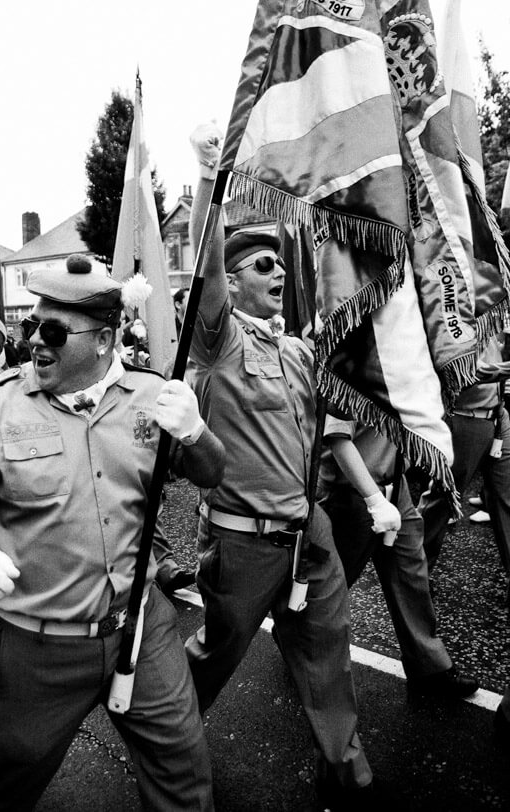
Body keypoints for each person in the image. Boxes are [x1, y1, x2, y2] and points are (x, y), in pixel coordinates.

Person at [0, 255, 225, 812]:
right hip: (38, 646)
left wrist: (196, 432)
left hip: (141, 627)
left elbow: (210, 473)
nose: (36, 340)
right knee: (6, 780)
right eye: (31, 326)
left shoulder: (153, 397)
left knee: (182, 769)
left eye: (53, 331)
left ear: (105, 339)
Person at [183, 124, 408, 812]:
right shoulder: (219, 342)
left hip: (306, 537)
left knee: (327, 653)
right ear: (236, 280)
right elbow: (203, 278)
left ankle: (347, 768)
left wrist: (372, 498)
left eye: (280, 267)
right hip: (244, 543)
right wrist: (209, 186)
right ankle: (169, 741)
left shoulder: (297, 354)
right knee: (214, 658)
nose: (278, 275)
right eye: (261, 268)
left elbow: (322, 436)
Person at [319, 408, 478, 698]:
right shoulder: (352, 365)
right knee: (334, 581)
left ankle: (429, 668)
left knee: (410, 573)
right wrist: (374, 500)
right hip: (353, 490)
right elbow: (338, 438)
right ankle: (301, 641)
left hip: (395, 484)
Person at [420, 335, 510, 587]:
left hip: (498, 415)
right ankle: (415, 574)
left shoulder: (490, 306)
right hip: (465, 418)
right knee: (441, 502)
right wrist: (505, 369)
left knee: (507, 498)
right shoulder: (450, 311)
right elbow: (460, 371)